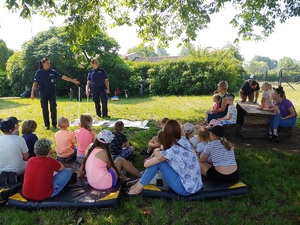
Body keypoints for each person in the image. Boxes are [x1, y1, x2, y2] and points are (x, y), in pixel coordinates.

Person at [128, 119, 202, 196]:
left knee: (157, 163)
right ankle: (138, 184)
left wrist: (156, 150)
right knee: (158, 160)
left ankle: (137, 189)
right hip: (195, 185)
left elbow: (146, 164)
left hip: (186, 189)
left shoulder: (171, 151)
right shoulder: (183, 140)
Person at [30, 57, 80, 130]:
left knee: (53, 107)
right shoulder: (39, 72)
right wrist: (32, 93)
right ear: (43, 64)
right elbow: (35, 83)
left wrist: (72, 80)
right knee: (44, 108)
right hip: (43, 92)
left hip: (52, 92)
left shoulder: (52, 71)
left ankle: (54, 124)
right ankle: (47, 124)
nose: (49, 64)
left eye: (49, 63)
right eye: (47, 63)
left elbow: (62, 77)